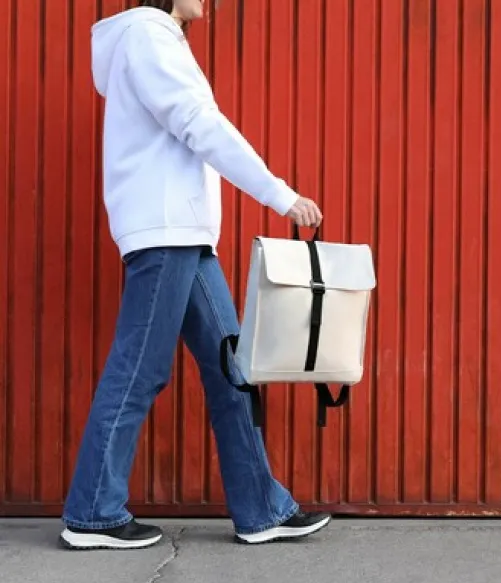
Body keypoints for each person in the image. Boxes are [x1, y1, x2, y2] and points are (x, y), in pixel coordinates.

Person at [60, 0, 329, 550]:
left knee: (233, 372)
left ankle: (261, 509)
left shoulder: (164, 39)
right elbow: (198, 124)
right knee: (139, 371)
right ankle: (91, 512)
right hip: (164, 234)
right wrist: (279, 194)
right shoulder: (147, 36)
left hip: (187, 237)